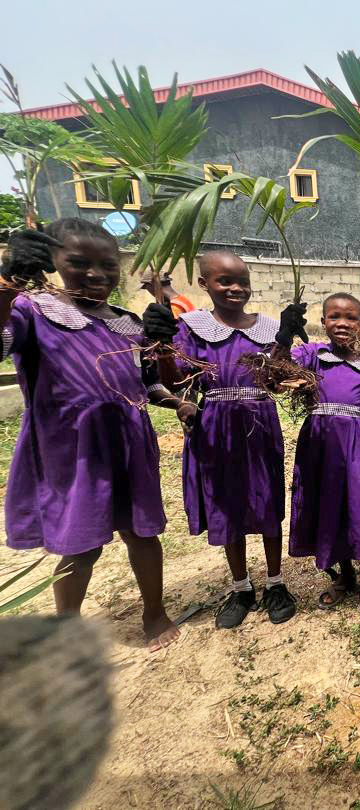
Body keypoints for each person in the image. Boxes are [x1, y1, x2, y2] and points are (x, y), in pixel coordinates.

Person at [0, 222, 190, 651]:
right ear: (54, 263)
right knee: (80, 542)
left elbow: (148, 386)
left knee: (142, 533)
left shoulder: (126, 324)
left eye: (107, 265)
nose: (96, 275)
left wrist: (174, 396)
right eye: (79, 264)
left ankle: (154, 612)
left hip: (129, 443)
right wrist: (8, 282)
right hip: (74, 449)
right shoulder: (34, 312)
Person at [165, 251, 295, 629]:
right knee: (227, 503)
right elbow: (177, 380)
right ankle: (240, 586)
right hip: (215, 426)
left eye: (242, 281)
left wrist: (284, 343)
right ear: (204, 284)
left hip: (259, 423)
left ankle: (275, 582)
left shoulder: (268, 329)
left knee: (268, 501)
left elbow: (276, 383)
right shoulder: (191, 328)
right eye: (225, 281)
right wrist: (181, 401)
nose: (236, 288)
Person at [273, 293, 360, 617]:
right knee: (332, 504)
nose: (342, 323)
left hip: (357, 446)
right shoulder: (312, 355)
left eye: (351, 318)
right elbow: (275, 375)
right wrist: (284, 337)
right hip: (319, 445)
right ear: (324, 321)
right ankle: (346, 574)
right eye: (334, 316)